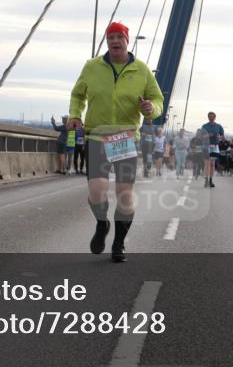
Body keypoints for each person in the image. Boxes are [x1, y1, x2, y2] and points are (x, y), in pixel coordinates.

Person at [68, 21, 163, 262]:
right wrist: (75, 115)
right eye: (110, 37)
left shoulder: (141, 70)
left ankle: (119, 243)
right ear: (107, 41)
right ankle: (102, 224)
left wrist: (150, 108)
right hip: (98, 136)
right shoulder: (91, 67)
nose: (115, 41)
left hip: (125, 138)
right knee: (97, 192)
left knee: (124, 195)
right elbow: (78, 94)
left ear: (127, 40)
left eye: (119, 37)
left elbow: (157, 100)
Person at [200, 112, 225, 188]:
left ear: (215, 117)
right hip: (206, 146)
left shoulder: (218, 126)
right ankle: (206, 179)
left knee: (212, 164)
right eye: (210, 116)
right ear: (208, 117)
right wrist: (207, 135)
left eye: (213, 117)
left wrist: (219, 137)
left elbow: (223, 137)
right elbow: (200, 136)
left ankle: (211, 180)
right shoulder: (204, 126)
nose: (211, 118)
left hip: (215, 147)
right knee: (207, 164)